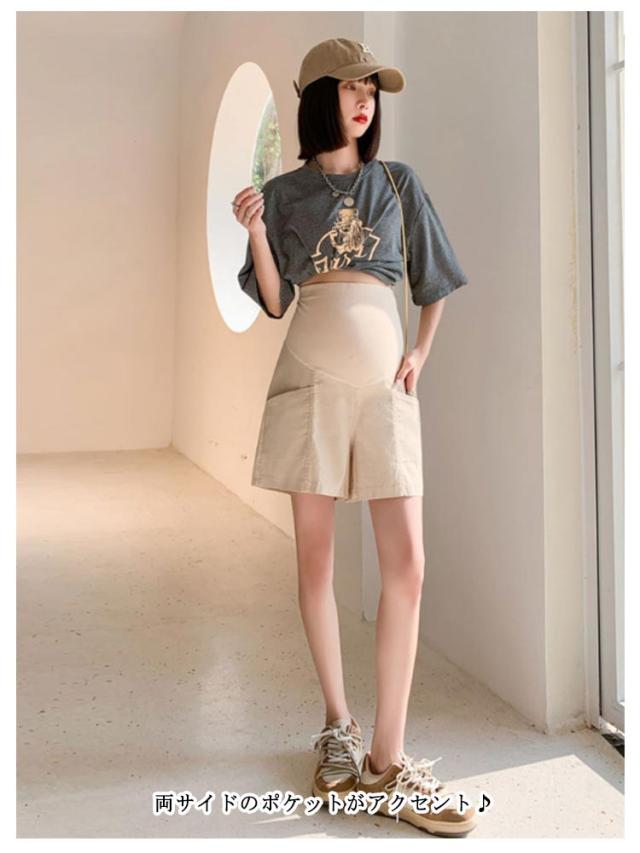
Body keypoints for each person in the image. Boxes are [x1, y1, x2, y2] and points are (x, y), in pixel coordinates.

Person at [233, 38, 476, 838]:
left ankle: (387, 758)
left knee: (407, 563)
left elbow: (433, 281)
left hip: (383, 391)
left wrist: (420, 354)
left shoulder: (397, 184)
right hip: (308, 380)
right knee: (316, 560)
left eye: (373, 88)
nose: (366, 99)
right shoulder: (284, 192)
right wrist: (258, 231)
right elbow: (277, 302)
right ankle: (338, 724)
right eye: (350, 87)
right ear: (318, 99)